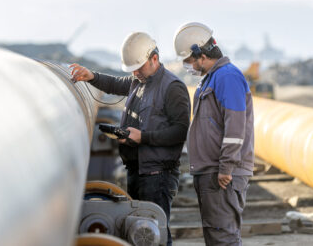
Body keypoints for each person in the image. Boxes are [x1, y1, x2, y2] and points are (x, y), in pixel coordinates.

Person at [70, 32, 190, 246]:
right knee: (140, 232)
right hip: (138, 171)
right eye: (132, 69)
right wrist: (92, 76)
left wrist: (142, 137)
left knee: (154, 234)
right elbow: (116, 84)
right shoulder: (139, 80)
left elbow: (180, 132)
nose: (135, 72)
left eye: (139, 67)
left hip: (157, 176)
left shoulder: (173, 88)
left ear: (154, 58)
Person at [173, 22, 254, 246]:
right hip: (211, 171)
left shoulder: (227, 77)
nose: (188, 66)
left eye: (189, 60)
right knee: (217, 236)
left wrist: (227, 167)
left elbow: (236, 127)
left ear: (200, 53)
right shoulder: (211, 78)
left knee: (223, 238)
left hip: (223, 174)